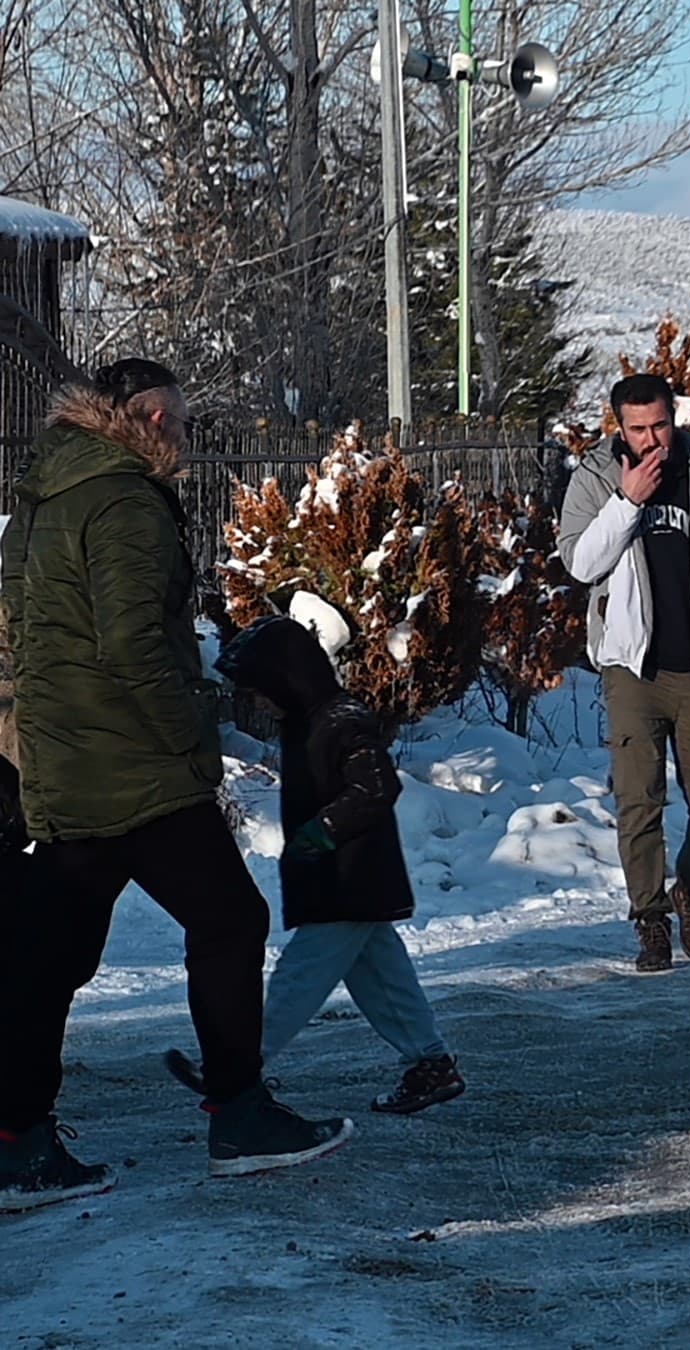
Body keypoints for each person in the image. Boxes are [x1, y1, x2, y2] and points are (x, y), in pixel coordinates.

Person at [0, 359, 350, 1203]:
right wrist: (189, 739)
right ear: (150, 419)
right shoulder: (125, 500)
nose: (187, 444)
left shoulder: (41, 498)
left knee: (50, 951)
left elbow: (13, 628)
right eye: (183, 426)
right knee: (231, 919)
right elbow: (133, 644)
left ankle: (18, 1138)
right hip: (134, 763)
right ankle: (239, 1115)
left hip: (62, 757)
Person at [177, 617, 464, 1116]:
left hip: (349, 879)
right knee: (383, 980)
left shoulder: (341, 720)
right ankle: (431, 1064)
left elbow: (377, 786)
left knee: (298, 978)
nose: (256, 702)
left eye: (259, 691)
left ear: (287, 678)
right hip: (345, 882)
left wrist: (324, 829)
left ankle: (235, 1065)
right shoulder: (308, 722)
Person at [559, 373, 690, 974]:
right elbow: (582, 563)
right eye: (637, 429)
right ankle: (651, 920)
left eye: (660, 424)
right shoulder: (595, 477)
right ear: (619, 426)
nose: (651, 439)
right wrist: (627, 500)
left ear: (675, 417)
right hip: (632, 668)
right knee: (640, 801)